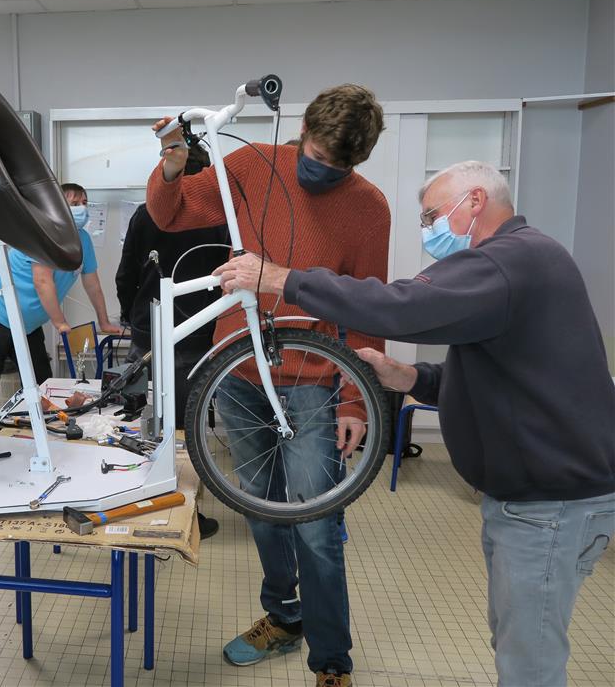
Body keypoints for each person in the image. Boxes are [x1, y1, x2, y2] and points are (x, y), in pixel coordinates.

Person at [213, 160, 615, 687]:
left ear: (474, 202)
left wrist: (282, 278)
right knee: (518, 644)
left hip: (549, 506)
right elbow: (502, 374)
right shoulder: (522, 263)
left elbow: (400, 304)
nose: (427, 228)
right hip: (532, 499)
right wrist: (413, 378)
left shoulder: (508, 260)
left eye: (432, 215)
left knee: (530, 663)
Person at [148, 84, 389, 687]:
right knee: (260, 511)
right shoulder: (255, 164)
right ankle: (283, 617)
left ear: (358, 161)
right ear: (301, 130)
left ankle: (332, 661)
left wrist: (358, 398)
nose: (322, 173)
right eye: (315, 156)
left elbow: (368, 308)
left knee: (317, 524)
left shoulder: (369, 207)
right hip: (236, 370)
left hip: (313, 379)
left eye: (340, 168)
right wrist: (171, 165)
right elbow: (171, 212)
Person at [116, 141, 229, 540]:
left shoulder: (146, 214)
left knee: (141, 423)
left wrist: (133, 318)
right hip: (199, 333)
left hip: (148, 331)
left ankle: (133, 500)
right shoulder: (221, 218)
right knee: (187, 430)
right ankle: (185, 512)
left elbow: (125, 273)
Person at [0, 183, 121, 416]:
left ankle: (45, 431)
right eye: (74, 204)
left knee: (41, 382)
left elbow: (92, 283)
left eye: (84, 203)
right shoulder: (42, 234)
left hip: (25, 323)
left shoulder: (83, 240)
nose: (81, 209)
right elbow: (42, 281)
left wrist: (104, 321)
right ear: (58, 207)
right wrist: (59, 322)